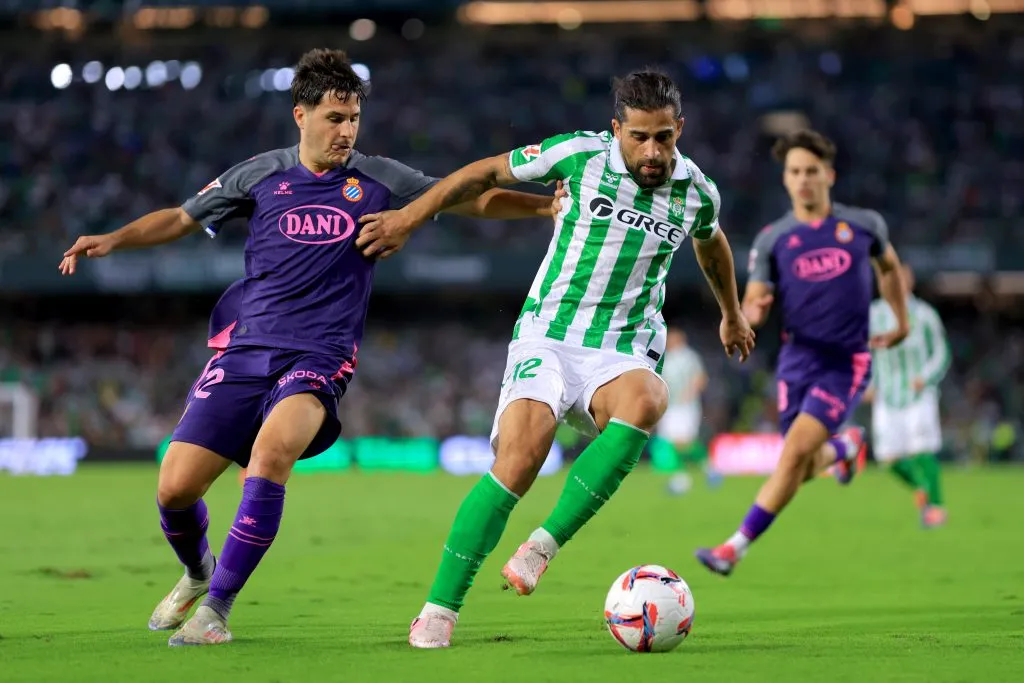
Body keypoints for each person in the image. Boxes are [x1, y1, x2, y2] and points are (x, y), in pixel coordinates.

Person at [58, 48, 562, 647]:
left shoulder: (379, 179)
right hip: (245, 350)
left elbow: (466, 197)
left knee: (271, 455)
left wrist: (545, 208)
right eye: (334, 118)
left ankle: (216, 610)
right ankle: (197, 573)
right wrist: (113, 239)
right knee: (174, 489)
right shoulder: (258, 174)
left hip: (319, 357)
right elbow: (183, 218)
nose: (346, 131)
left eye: (354, 119)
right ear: (301, 115)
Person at [357, 69, 756, 648]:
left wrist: (732, 312)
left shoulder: (697, 190)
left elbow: (710, 239)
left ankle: (541, 546)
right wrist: (407, 219)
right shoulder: (577, 154)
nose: (652, 151)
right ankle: (439, 609)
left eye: (664, 137)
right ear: (616, 129)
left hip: (623, 345)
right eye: (639, 137)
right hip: (549, 333)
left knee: (650, 396)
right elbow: (482, 174)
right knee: (521, 457)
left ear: (680, 129)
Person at [695, 129, 909, 577]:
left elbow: (889, 268)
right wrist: (748, 316)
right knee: (802, 464)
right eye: (795, 172)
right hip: (796, 362)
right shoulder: (774, 239)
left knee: (792, 456)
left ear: (829, 175)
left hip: (845, 362)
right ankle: (846, 446)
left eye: (812, 171)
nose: (803, 179)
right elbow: (754, 299)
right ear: (785, 179)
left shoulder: (863, 226)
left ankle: (733, 547)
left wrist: (900, 320)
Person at [865, 263, 949, 528]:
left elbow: (942, 352)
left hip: (918, 393)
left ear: (910, 281)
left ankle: (936, 508)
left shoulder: (924, 315)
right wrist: (868, 383)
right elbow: (865, 353)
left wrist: (926, 377)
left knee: (922, 450)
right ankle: (923, 487)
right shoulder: (873, 314)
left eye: (901, 278)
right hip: (887, 394)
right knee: (887, 457)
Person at [657, 326, 717, 493]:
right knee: (673, 442)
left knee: (684, 442)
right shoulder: (666, 358)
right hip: (671, 406)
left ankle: (703, 468)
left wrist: (690, 393)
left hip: (686, 406)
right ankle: (688, 474)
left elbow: (701, 378)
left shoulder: (689, 357)